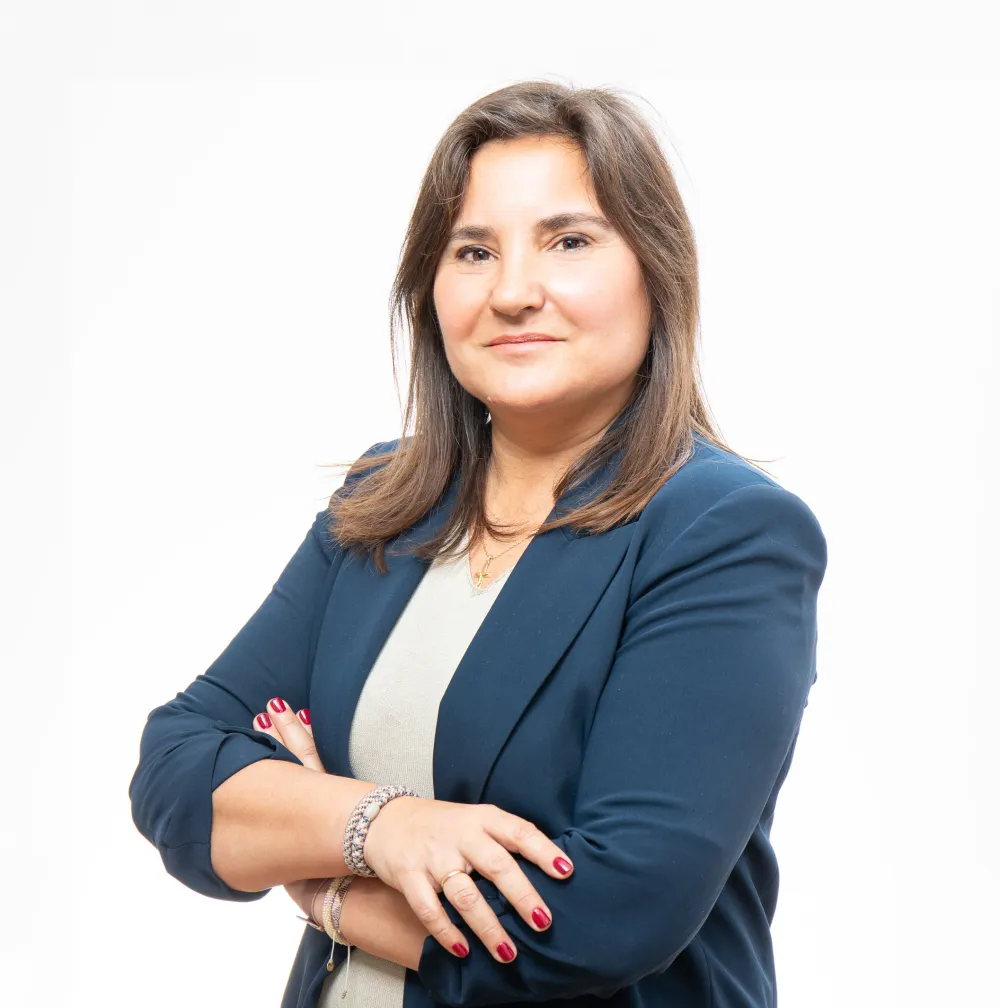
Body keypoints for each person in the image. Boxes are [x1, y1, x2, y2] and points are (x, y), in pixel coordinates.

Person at [128, 80, 827, 1008]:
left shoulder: (723, 532)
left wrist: (325, 885)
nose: (513, 292)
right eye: (474, 251)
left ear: (655, 269)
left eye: (569, 241)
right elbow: (176, 771)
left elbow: (603, 920)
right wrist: (384, 826)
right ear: (431, 290)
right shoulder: (387, 500)